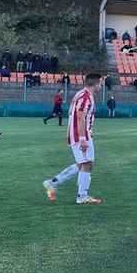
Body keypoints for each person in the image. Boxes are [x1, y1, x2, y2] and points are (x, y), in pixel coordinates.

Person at [42, 73, 104, 204]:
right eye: (101, 83)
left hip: (79, 133)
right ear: (97, 83)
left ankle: (53, 183)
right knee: (88, 164)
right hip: (80, 134)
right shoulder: (85, 96)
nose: (101, 86)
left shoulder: (82, 94)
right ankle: (82, 196)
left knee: (83, 164)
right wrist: (82, 138)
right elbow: (80, 116)